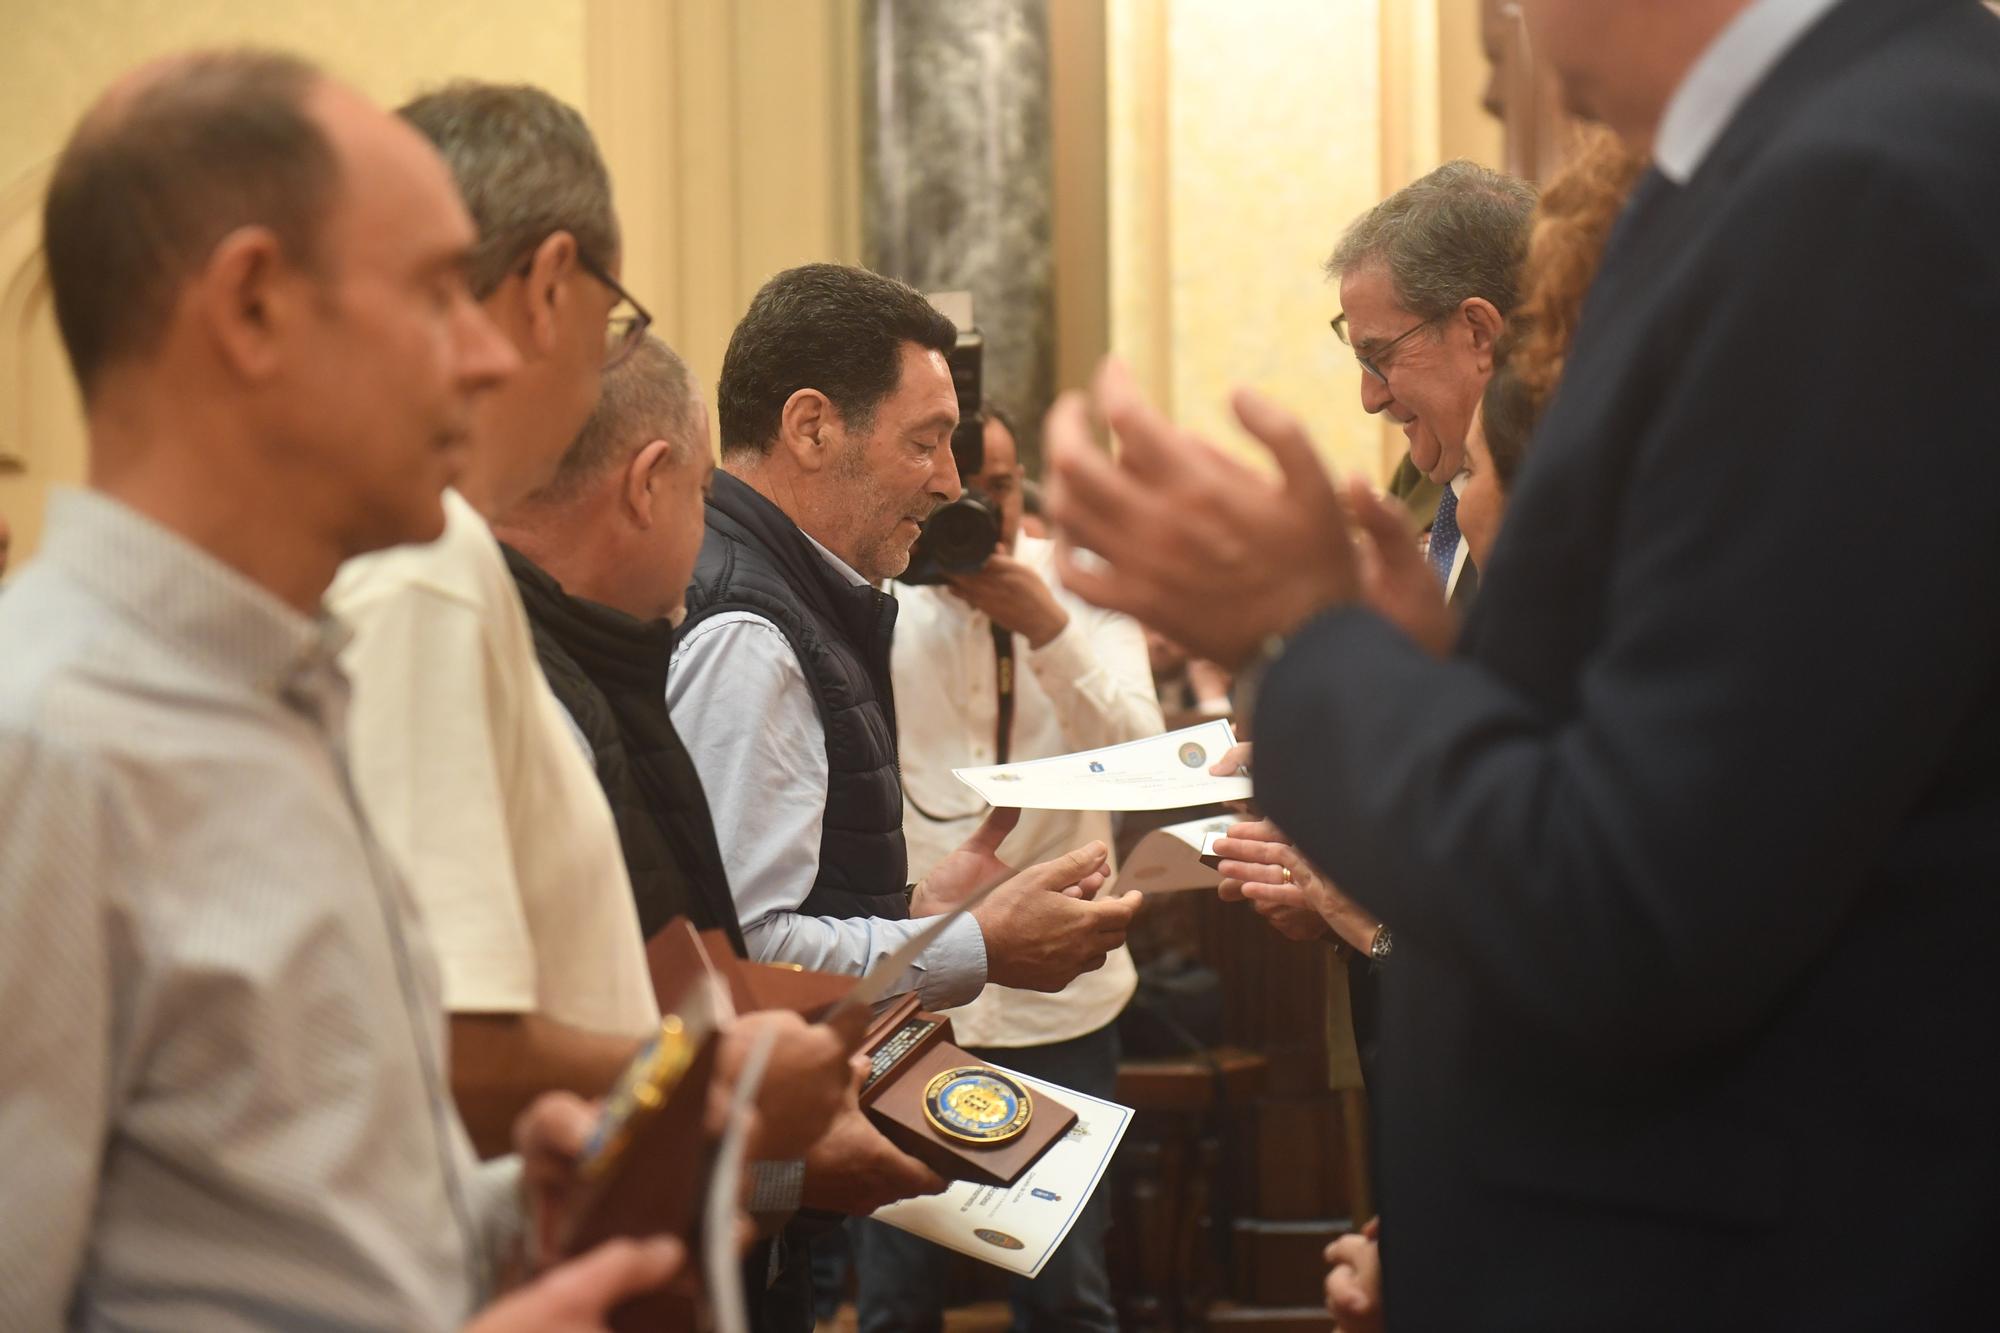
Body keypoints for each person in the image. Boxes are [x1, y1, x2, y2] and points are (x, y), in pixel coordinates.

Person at [1045, 0, 2000, 1327]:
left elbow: (1643, 899)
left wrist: (1297, 642)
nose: (1491, 24)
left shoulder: (1857, 192)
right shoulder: (1796, 166)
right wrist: (1436, 670)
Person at [0, 49, 682, 1330]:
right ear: (252, 307)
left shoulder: (279, 690)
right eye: (434, 294)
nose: (484, 358)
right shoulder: (42, 743)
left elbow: (261, 1229)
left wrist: (488, 1222)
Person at [494, 334, 953, 1330]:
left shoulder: (595, 662)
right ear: (651, 484)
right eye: (700, 492)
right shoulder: (717, 631)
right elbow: (720, 960)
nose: (947, 481)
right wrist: (773, 1158)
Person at [327, 81, 663, 1159]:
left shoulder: (426, 543)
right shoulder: (417, 558)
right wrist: (726, 1087)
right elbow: (449, 1051)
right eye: (612, 321)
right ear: (551, 284)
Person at [669, 263, 1140, 1013]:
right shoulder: (750, 635)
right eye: (926, 443)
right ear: (812, 427)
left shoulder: (793, 592)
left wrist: (912, 909)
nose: (952, 483)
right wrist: (974, 947)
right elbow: (741, 954)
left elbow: (796, 906)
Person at [853, 403, 1162, 1332]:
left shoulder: (1083, 591)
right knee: (896, 1296)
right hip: (914, 996)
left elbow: (1145, 762)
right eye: (957, 480)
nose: (976, 506)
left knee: (1067, 1294)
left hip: (1058, 1004)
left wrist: (1052, 631)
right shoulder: (874, 600)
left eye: (1000, 487)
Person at [1328, 160, 1536, 606]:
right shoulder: (1422, 477)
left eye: (1381, 356)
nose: (1370, 398)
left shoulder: (1566, 497)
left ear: (1478, 332)